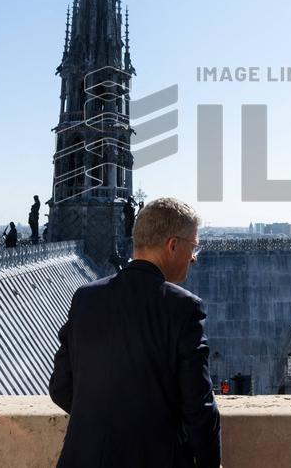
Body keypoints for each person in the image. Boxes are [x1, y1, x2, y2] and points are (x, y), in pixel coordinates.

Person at [49, 197, 221, 468]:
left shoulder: (85, 298)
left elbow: (60, 388)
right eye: (194, 247)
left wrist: (108, 424)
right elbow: (199, 410)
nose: (195, 258)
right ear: (173, 245)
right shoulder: (184, 308)